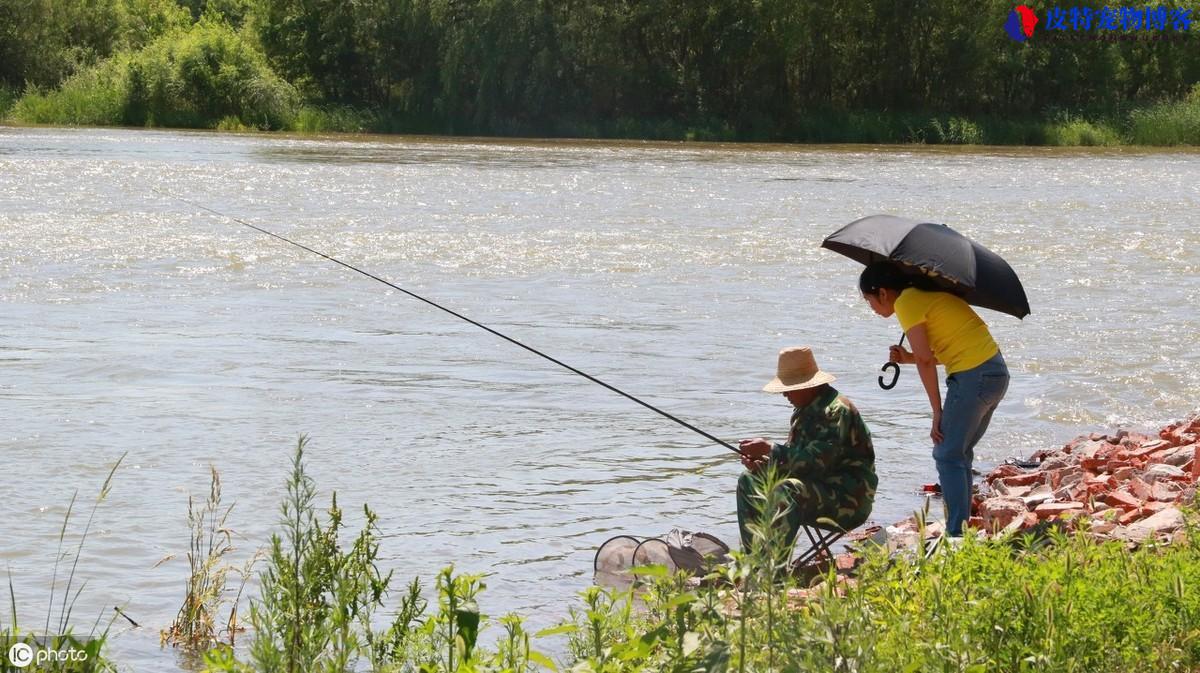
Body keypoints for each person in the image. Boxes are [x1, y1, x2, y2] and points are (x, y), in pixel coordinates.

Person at [859, 262, 1010, 537]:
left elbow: (926, 361)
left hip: (973, 376)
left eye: (869, 300)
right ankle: (960, 529)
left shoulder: (907, 302)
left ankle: (955, 535)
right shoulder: (923, 296)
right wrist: (907, 358)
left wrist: (937, 411)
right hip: (995, 372)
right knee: (958, 453)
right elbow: (949, 348)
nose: (871, 308)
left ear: (882, 292)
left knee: (946, 453)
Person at [737, 346, 876, 552]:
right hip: (816, 489)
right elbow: (796, 463)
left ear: (807, 386)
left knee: (787, 490)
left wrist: (771, 450)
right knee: (748, 479)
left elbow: (816, 464)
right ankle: (755, 559)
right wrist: (764, 465)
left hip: (847, 500)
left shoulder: (836, 410)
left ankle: (775, 571)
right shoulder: (805, 410)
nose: (784, 394)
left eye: (789, 388)